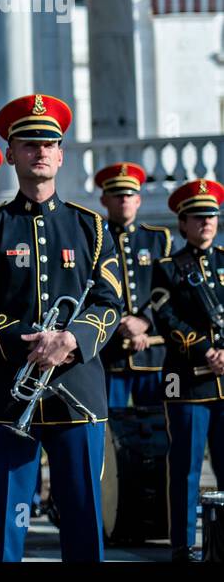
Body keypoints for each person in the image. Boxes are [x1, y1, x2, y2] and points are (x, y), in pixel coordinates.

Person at [0, 94, 122, 562]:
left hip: (79, 394)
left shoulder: (90, 227)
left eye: (50, 142)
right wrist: (29, 342)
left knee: (84, 520)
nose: (41, 151)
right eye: (29, 143)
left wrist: (70, 339)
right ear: (10, 154)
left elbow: (110, 301)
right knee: (7, 523)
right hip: (9, 395)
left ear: (62, 154)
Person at [147, 178, 224, 562]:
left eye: (210, 215)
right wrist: (208, 350)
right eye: (197, 217)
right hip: (187, 381)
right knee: (186, 466)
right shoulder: (167, 268)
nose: (206, 222)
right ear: (182, 223)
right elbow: (166, 316)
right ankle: (183, 544)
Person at [93, 162, 172, 408]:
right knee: (110, 430)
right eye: (117, 195)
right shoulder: (94, 241)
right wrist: (117, 323)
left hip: (153, 352)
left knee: (159, 427)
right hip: (110, 352)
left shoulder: (158, 239)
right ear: (104, 200)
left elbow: (171, 289)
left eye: (129, 195)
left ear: (138, 200)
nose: (124, 200)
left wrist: (146, 321)